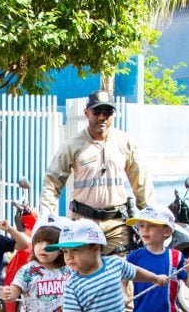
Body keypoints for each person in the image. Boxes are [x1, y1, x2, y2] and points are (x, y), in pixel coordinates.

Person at [39, 90, 152, 255]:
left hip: (116, 225)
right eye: (97, 111)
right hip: (83, 223)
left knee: (120, 269)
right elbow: (52, 181)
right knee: (83, 268)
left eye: (108, 112)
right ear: (86, 112)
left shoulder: (125, 142)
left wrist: (150, 215)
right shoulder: (73, 145)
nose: (102, 117)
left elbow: (140, 180)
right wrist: (46, 217)